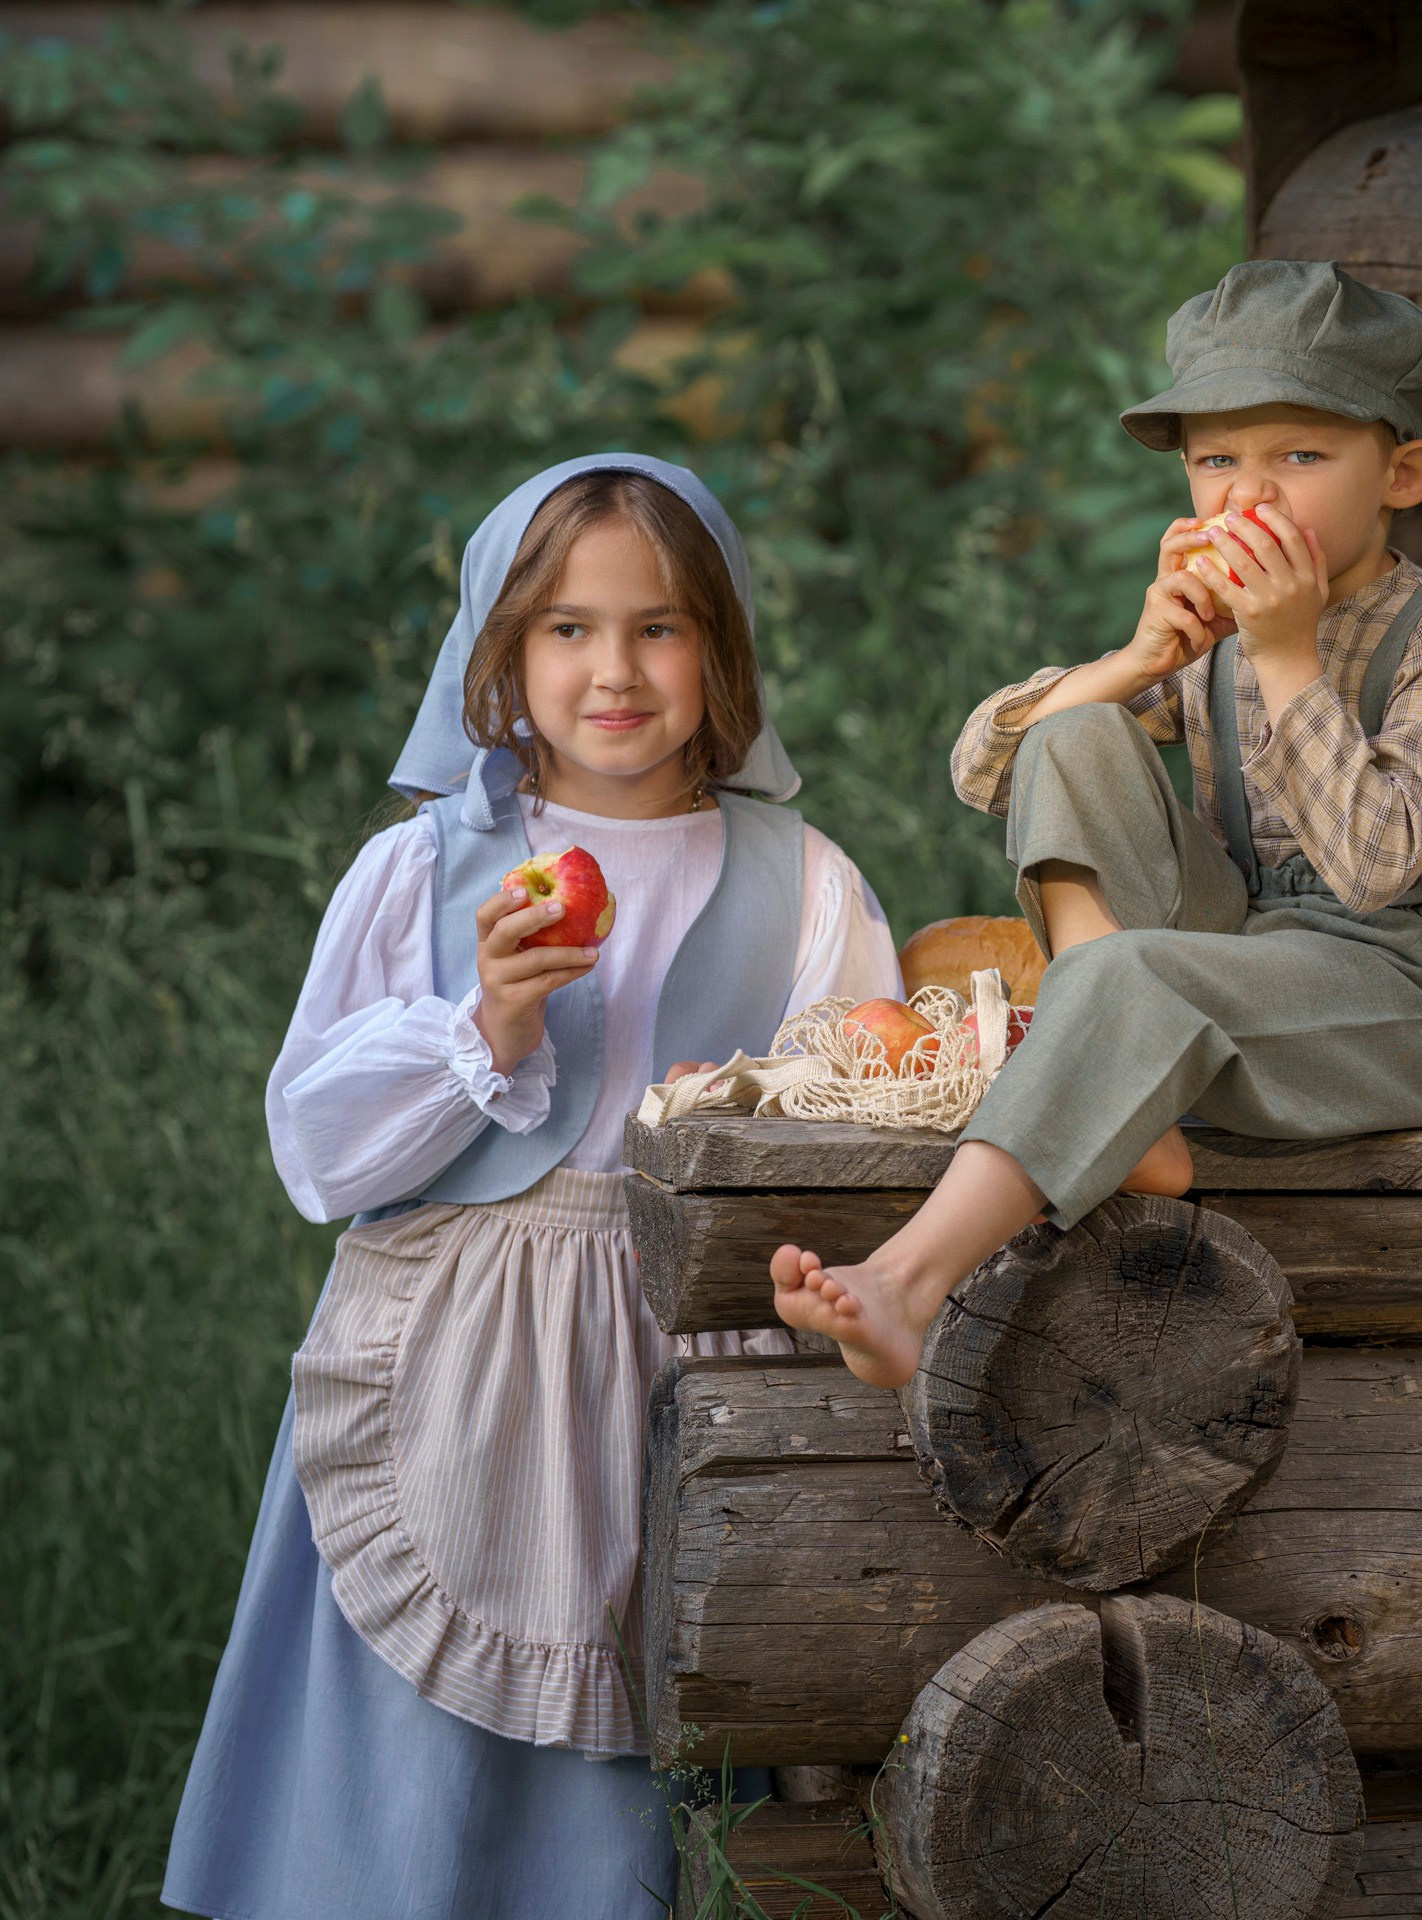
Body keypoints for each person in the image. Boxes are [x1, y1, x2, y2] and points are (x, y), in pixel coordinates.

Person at [162, 455, 900, 1919]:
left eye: (659, 627)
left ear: (722, 649)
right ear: (499, 654)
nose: (612, 670)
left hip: (673, 1369)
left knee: (643, 1766)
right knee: (405, 1781)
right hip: (455, 1364)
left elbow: (849, 1140)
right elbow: (317, 1155)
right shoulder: (424, 870)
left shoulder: (804, 881)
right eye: (565, 628)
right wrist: (486, 1025)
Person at [769, 259, 1422, 1386]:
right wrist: (1139, 659)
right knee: (1074, 735)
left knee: (1135, 975)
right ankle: (1130, 1107)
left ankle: (905, 1282)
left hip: (1402, 1002)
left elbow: (1376, 865)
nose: (1252, 494)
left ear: (1403, 472)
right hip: (1235, 962)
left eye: (1299, 455)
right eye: (1217, 460)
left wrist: (1283, 656)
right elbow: (981, 768)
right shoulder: (1214, 630)